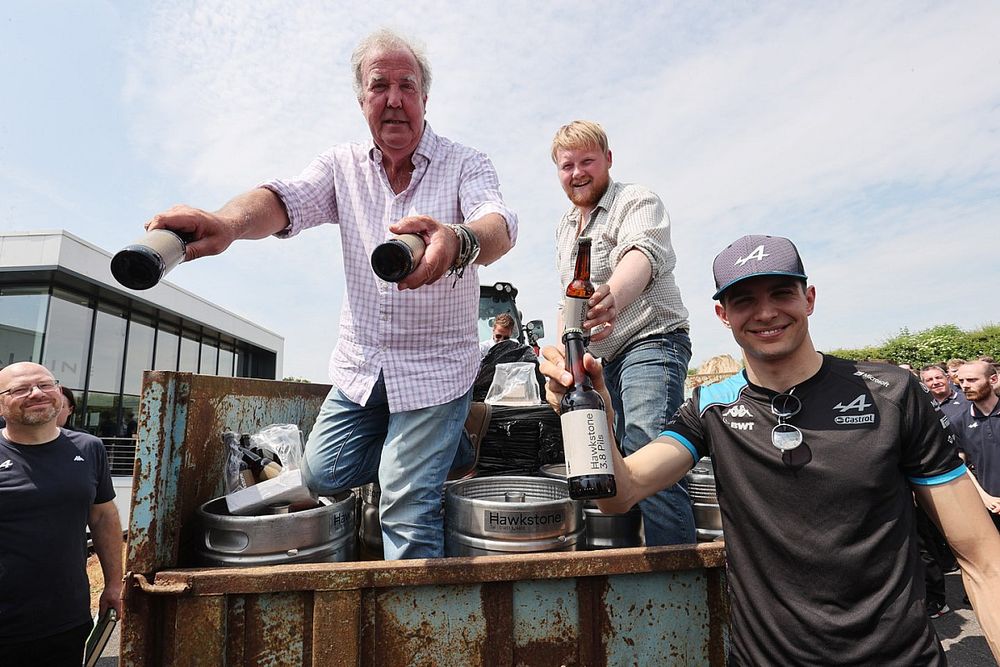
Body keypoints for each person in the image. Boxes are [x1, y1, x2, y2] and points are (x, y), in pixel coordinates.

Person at [540, 234, 1000, 664]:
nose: (765, 313)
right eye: (744, 300)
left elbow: (983, 559)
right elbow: (620, 493)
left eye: (781, 293)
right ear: (723, 315)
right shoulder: (710, 406)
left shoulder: (892, 393)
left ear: (809, 299)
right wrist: (592, 417)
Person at [145, 29, 516, 559]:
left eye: (406, 86)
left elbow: (497, 225)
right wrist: (225, 222)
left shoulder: (466, 163)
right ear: (361, 100)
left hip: (437, 368)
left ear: (425, 99)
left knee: (404, 499)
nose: (393, 98)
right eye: (378, 85)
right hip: (362, 364)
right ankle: (454, 446)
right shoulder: (341, 165)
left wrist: (459, 239)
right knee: (321, 472)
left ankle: (410, 637)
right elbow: (284, 199)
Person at [549, 120, 695, 546]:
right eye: (567, 165)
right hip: (602, 358)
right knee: (607, 458)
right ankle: (628, 567)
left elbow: (642, 255)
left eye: (587, 161)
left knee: (649, 448)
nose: (577, 173)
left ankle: (676, 581)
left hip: (652, 339)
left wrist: (610, 295)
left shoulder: (636, 200)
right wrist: (564, 353)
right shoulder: (564, 228)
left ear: (608, 160)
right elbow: (567, 302)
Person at [0, 362, 124, 665]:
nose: (36, 393)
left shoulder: (90, 447)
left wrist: (113, 583)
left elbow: (103, 517)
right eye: (20, 389)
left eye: (45, 385)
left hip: (66, 616)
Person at [955, 360, 1000, 531]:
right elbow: (960, 465)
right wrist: (984, 497)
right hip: (990, 507)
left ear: (993, 379)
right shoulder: (958, 422)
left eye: (972, 380)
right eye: (961, 381)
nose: (965, 386)